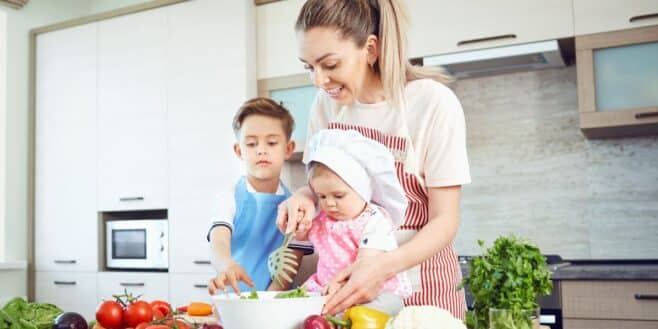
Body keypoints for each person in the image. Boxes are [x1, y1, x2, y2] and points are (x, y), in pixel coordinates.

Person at [276, 0, 471, 319]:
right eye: (309, 67)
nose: (319, 81)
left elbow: (445, 220)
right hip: (345, 294)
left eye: (330, 64)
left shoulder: (432, 104)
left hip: (423, 289)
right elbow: (318, 186)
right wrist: (302, 197)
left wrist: (381, 267)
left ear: (370, 49)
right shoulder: (325, 107)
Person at [207, 97, 312, 295]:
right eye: (252, 144)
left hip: (272, 302)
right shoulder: (228, 197)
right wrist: (227, 265)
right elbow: (218, 242)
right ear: (239, 151)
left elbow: (290, 266)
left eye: (271, 143)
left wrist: (267, 301)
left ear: (288, 149)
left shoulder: (295, 206)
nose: (261, 150)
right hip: (232, 301)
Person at [300, 129, 411, 315]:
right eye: (322, 196)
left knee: (379, 308)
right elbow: (301, 240)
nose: (329, 203)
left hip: (373, 291)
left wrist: (341, 287)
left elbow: (366, 263)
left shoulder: (375, 220)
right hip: (328, 289)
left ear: (363, 191)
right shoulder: (323, 220)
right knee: (298, 307)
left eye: (338, 195)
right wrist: (300, 227)